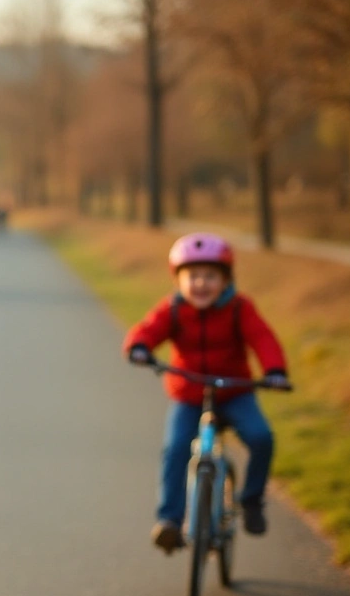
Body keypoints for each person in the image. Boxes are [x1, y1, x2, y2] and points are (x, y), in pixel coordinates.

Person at [123, 233, 289, 553]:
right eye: (193, 276)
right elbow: (147, 329)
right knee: (174, 450)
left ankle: (252, 500)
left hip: (235, 393)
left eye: (210, 276)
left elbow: (263, 338)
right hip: (188, 395)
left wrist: (275, 371)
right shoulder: (173, 309)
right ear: (178, 280)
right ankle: (170, 521)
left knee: (261, 437)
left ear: (226, 279)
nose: (201, 284)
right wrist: (139, 347)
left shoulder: (240, 308)